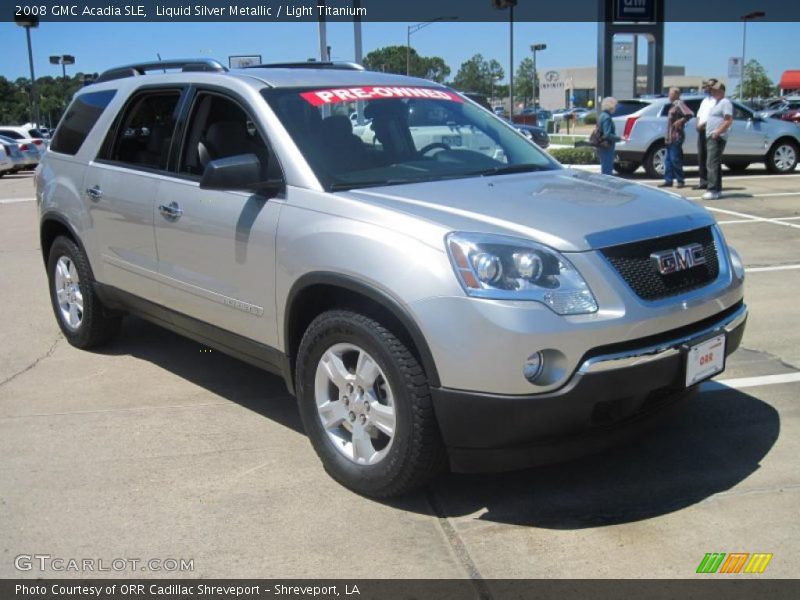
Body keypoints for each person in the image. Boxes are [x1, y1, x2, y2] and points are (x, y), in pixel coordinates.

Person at [702, 81, 733, 200]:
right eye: (712, 90)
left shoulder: (725, 102)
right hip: (712, 135)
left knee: (711, 163)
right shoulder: (717, 102)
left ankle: (712, 189)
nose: (712, 92)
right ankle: (717, 189)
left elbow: (728, 120)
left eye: (715, 90)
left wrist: (717, 132)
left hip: (717, 137)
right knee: (715, 164)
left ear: (722, 91)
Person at [659, 87, 693, 189]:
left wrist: (681, 121)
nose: (669, 96)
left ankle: (680, 180)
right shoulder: (672, 105)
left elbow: (689, 114)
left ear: (677, 94)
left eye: (671, 94)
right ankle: (668, 180)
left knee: (675, 159)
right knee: (668, 160)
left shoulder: (679, 103)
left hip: (676, 136)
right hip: (669, 136)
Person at [693, 79, 717, 190]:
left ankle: (712, 183)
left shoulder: (717, 101)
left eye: (709, 85)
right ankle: (703, 181)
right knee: (701, 156)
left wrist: (704, 124)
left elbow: (716, 117)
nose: (707, 87)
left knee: (710, 159)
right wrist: (698, 124)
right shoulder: (705, 100)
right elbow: (699, 114)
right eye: (706, 86)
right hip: (701, 131)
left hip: (711, 131)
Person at [597, 97, 621, 175]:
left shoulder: (602, 116)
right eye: (615, 106)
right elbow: (607, 134)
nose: (616, 108)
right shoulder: (607, 117)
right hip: (607, 146)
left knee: (604, 168)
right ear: (611, 106)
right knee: (607, 170)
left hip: (601, 146)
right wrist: (619, 138)